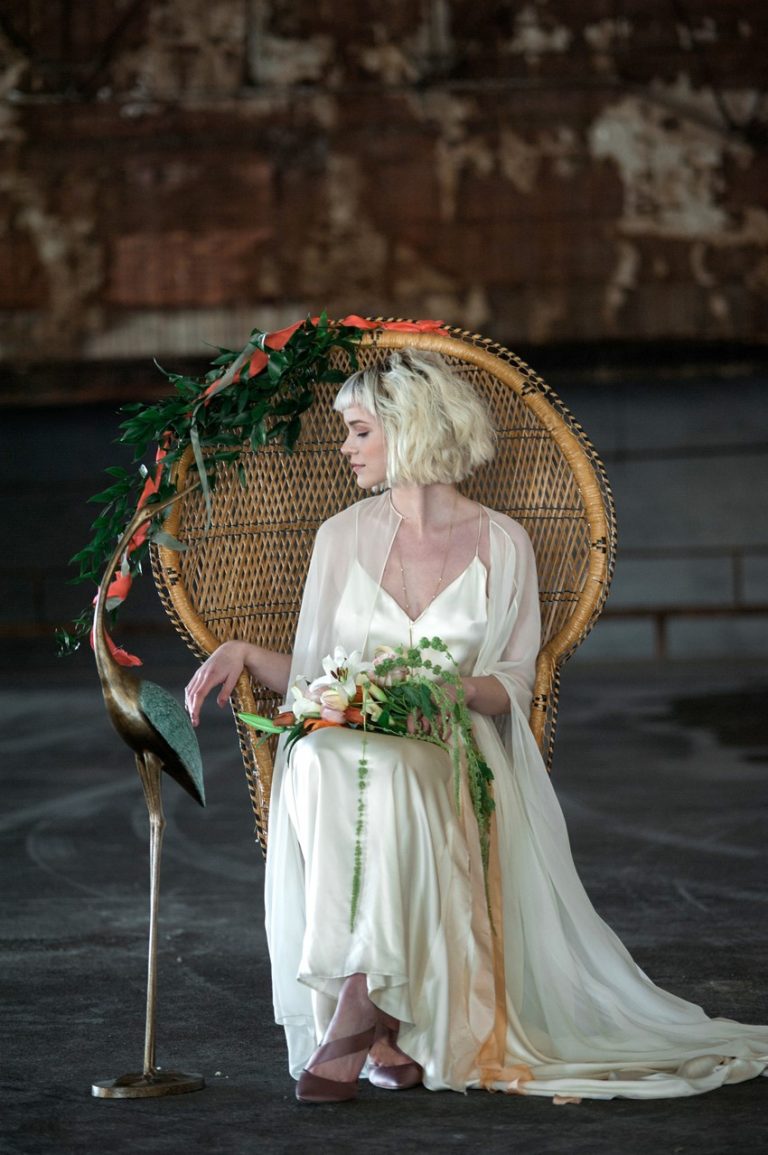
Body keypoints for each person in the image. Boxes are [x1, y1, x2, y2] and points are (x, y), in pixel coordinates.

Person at [184, 349, 768, 1104]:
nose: (345, 449)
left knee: (384, 769)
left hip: (451, 740)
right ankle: (373, 1007)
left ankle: (365, 1009)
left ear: (410, 430)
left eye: (359, 431)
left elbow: (511, 687)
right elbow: (310, 672)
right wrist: (238, 650)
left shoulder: (503, 543)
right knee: (325, 758)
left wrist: (438, 689)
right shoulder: (338, 537)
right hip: (346, 738)